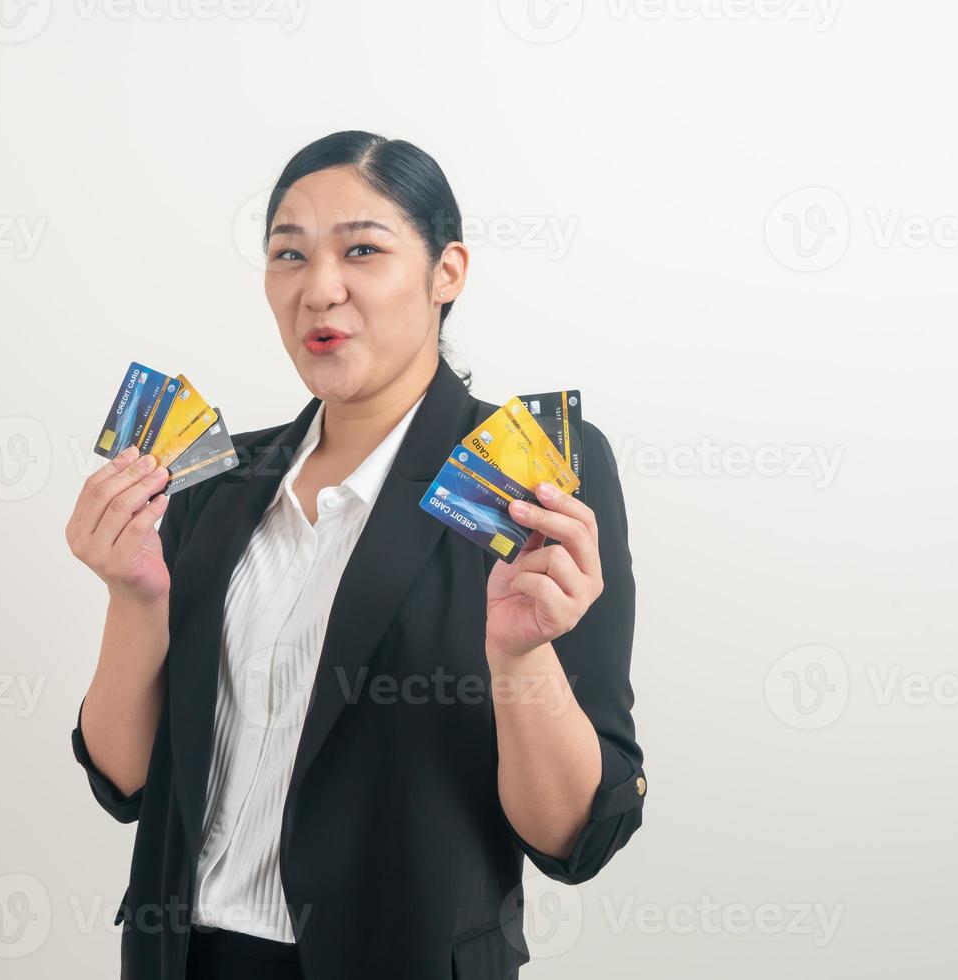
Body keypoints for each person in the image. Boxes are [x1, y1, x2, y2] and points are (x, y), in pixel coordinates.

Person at [65, 130, 646, 980]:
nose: (318, 289)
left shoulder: (534, 472)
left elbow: (573, 836)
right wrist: (134, 598)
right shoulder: (212, 483)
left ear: (447, 272)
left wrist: (520, 653)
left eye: (363, 250)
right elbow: (126, 783)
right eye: (288, 254)